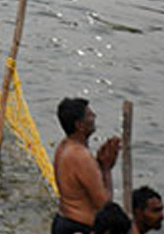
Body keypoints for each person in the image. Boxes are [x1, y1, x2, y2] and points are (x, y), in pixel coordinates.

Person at [51, 98, 121, 233]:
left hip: (63, 221)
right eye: (89, 115)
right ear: (79, 125)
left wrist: (99, 164)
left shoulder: (63, 146)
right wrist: (106, 169)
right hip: (78, 226)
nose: (94, 116)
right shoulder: (81, 156)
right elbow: (104, 206)